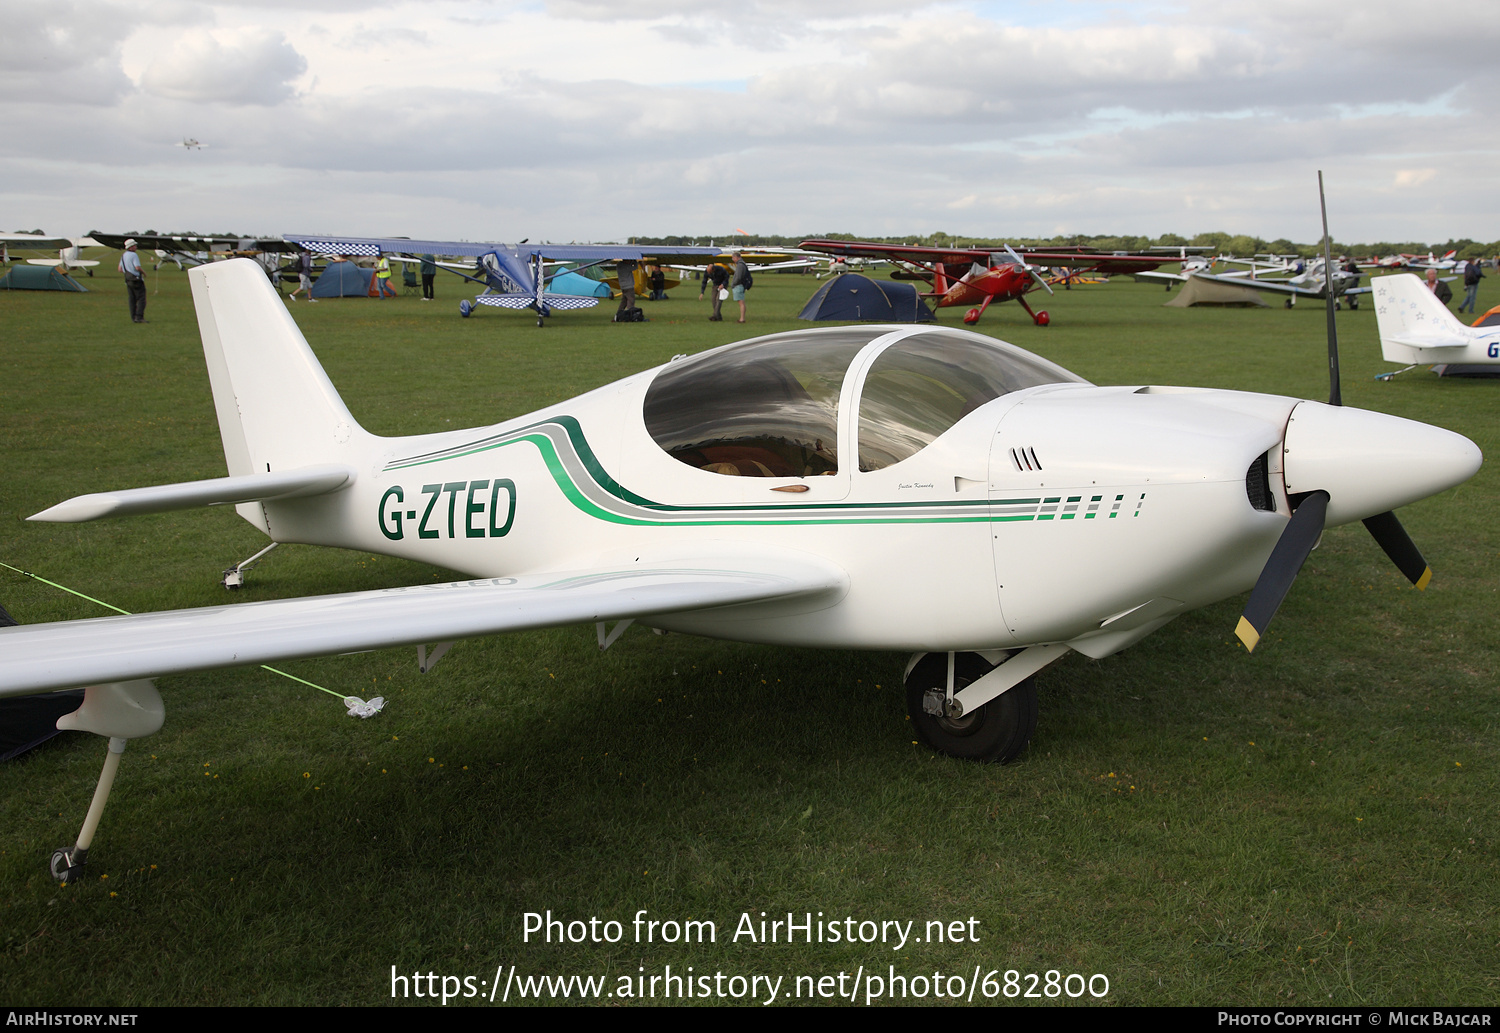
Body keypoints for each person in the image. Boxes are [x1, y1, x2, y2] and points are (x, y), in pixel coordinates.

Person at [119, 239, 146, 322]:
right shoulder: (134, 255)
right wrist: (144, 273)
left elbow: (120, 269)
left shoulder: (123, 255)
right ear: (131, 247)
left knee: (132, 299)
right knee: (141, 298)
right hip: (136, 280)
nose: (136, 247)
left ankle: (133, 317)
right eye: (134, 245)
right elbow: (137, 267)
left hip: (128, 280)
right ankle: (139, 317)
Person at [730, 255, 751, 323]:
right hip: (740, 285)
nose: (733, 259)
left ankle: (742, 319)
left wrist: (733, 284)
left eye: (733, 258)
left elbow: (738, 277)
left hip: (739, 285)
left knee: (741, 303)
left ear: (737, 257)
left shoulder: (740, 265)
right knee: (741, 302)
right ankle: (742, 318)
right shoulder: (742, 264)